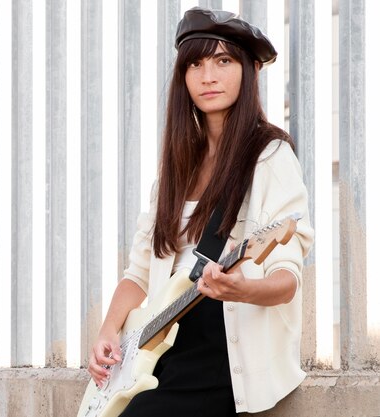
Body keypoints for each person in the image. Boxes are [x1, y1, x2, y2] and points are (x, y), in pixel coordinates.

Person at [86, 7, 314, 416]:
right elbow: (139, 273)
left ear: (250, 72)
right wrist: (108, 330)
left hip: (223, 351)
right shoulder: (177, 169)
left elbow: (286, 276)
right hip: (161, 344)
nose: (208, 76)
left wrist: (241, 289)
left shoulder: (269, 156)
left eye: (223, 61)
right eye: (196, 64)